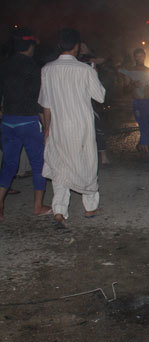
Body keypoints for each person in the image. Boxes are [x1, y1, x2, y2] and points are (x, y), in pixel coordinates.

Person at [38, 28, 105, 225]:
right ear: (76, 46)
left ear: (60, 45)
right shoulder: (85, 70)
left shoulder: (47, 69)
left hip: (59, 125)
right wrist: (95, 73)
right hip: (81, 125)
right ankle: (90, 207)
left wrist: (47, 129)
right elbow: (100, 96)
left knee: (60, 164)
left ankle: (59, 209)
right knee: (87, 162)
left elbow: (46, 104)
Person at [0, 28, 52, 221]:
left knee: (9, 164)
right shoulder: (33, 66)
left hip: (8, 121)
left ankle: (0, 205)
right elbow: (38, 99)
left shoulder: (4, 65)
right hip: (28, 121)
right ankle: (38, 206)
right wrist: (46, 126)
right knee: (39, 164)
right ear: (30, 46)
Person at [119, 48, 149, 154]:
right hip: (138, 102)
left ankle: (142, 144)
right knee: (142, 124)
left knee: (148, 124)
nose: (140, 58)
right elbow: (125, 89)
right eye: (138, 56)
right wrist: (133, 85)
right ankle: (145, 149)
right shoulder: (130, 72)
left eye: (142, 55)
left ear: (145, 56)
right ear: (135, 57)